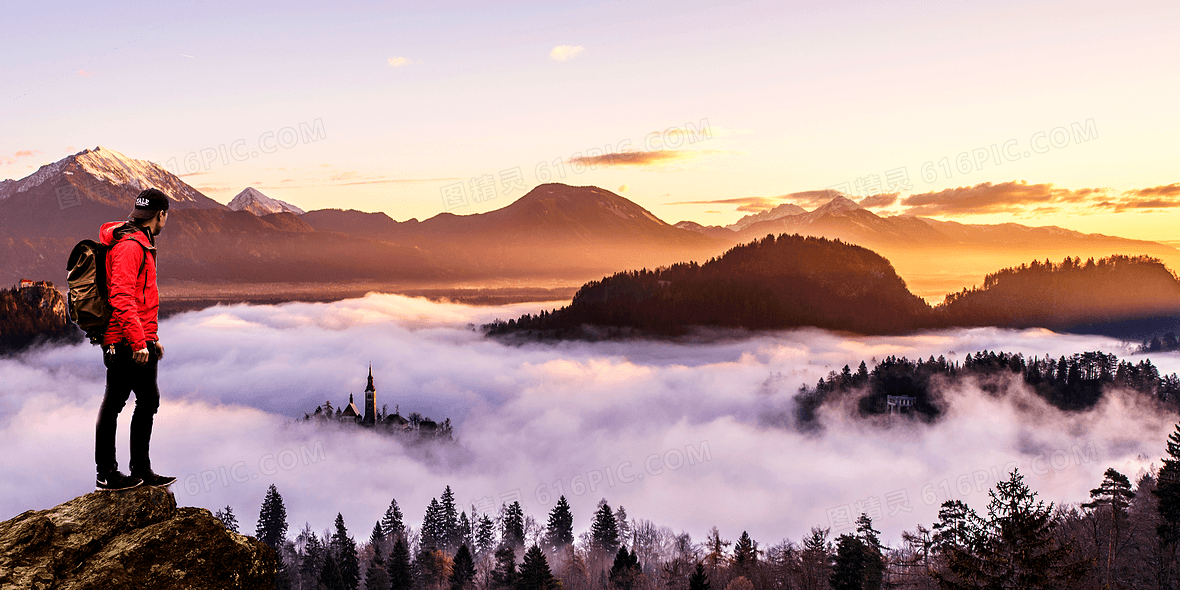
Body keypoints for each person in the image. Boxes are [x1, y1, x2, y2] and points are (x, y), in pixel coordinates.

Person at [94, 188, 176, 491]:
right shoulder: (130, 246)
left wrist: (151, 338)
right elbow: (121, 297)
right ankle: (107, 474)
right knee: (114, 403)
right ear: (161, 215)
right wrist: (138, 341)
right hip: (124, 340)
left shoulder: (142, 242)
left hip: (139, 337)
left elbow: (142, 300)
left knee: (148, 401)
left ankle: (141, 470)